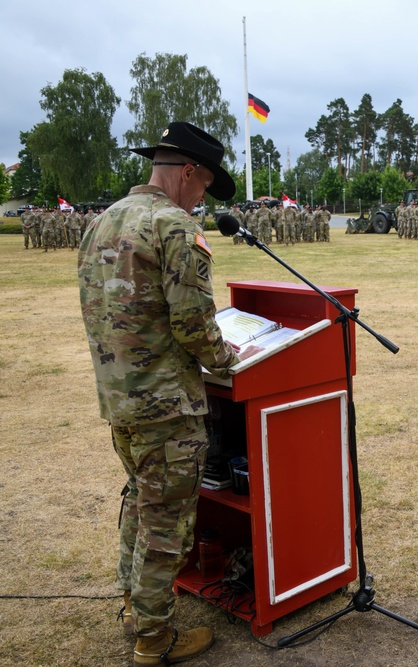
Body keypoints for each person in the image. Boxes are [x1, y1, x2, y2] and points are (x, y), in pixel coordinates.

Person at [78, 122, 257, 665]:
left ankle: (136, 606)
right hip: (167, 406)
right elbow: (193, 325)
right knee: (166, 523)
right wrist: (230, 357)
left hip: (121, 402)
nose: (203, 197)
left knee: (138, 501)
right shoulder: (174, 227)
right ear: (187, 173)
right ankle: (154, 638)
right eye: (204, 185)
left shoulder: (102, 223)